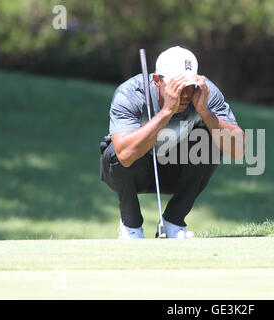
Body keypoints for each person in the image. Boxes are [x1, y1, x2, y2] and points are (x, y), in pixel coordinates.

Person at [100, 46, 244, 239]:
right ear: (157, 80)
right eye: (177, 86)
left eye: (190, 86)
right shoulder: (130, 93)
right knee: (114, 152)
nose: (185, 93)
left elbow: (239, 150)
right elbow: (125, 155)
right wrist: (167, 111)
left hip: (174, 170)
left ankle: (173, 221)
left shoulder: (206, 93)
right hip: (134, 170)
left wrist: (205, 113)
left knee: (210, 139)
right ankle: (130, 225)